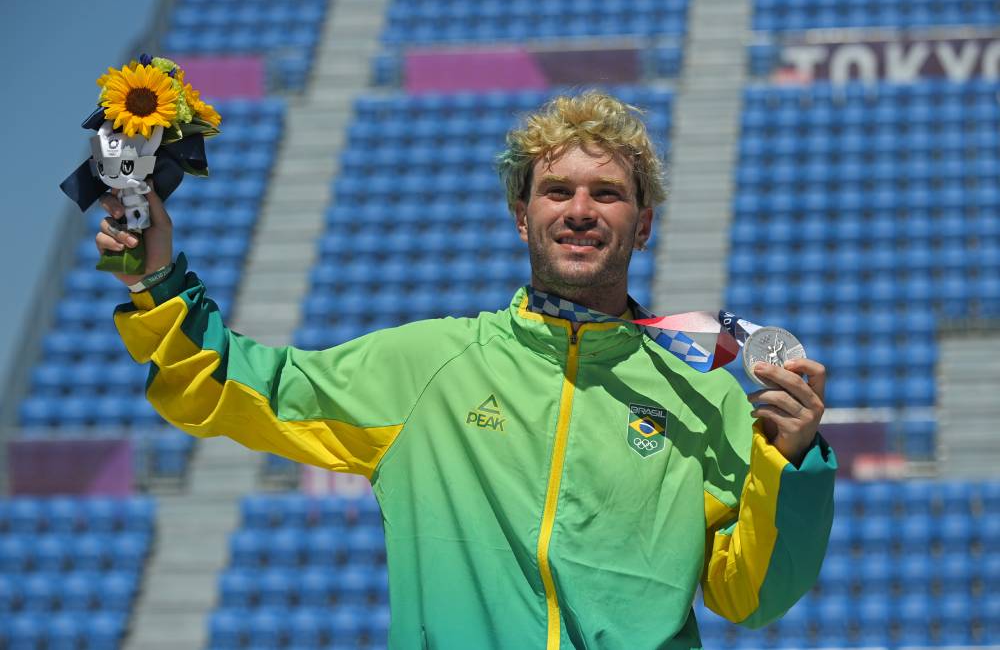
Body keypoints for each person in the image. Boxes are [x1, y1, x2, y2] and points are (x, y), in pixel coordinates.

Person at [95, 91, 835, 649]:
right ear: (522, 215)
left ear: (643, 222)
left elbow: (750, 594)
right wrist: (157, 282)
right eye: (557, 191)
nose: (580, 210)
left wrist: (791, 464)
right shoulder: (428, 365)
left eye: (607, 193)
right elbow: (236, 384)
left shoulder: (705, 396)